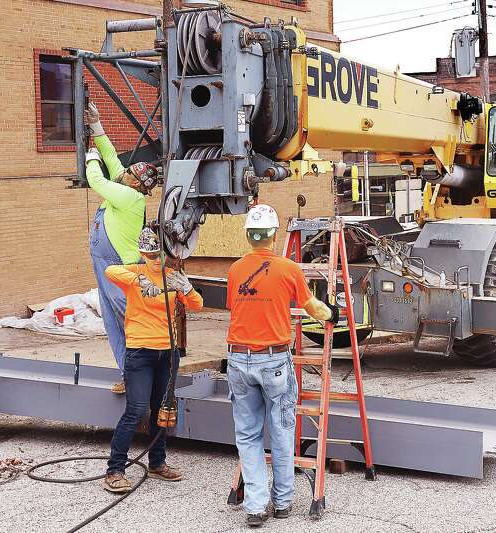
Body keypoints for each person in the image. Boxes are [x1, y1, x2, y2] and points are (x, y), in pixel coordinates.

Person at [225, 205, 339, 528]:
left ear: (248, 236)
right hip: (274, 359)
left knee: (247, 435)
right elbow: (312, 307)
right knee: (281, 428)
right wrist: (332, 314)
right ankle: (283, 502)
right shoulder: (289, 269)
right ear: (274, 236)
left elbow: (235, 307)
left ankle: (256, 506)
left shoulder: (234, 271)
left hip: (239, 358)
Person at [101, 228, 203, 493]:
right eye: (148, 254)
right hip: (140, 353)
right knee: (135, 410)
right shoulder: (135, 273)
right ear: (142, 253)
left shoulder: (172, 277)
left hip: (167, 355)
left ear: (165, 253)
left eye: (157, 254)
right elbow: (110, 271)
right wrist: (139, 282)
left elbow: (197, 305)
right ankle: (115, 470)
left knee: (162, 411)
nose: (154, 259)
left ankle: (157, 463)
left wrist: (188, 288)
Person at [85, 102, 159, 394]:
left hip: (119, 266)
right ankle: (130, 375)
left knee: (129, 320)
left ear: (137, 184)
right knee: (113, 323)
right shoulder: (128, 187)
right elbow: (114, 162)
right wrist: (97, 127)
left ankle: (147, 373)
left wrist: (90, 156)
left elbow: (96, 179)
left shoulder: (130, 198)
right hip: (105, 264)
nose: (124, 173)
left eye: (129, 174)